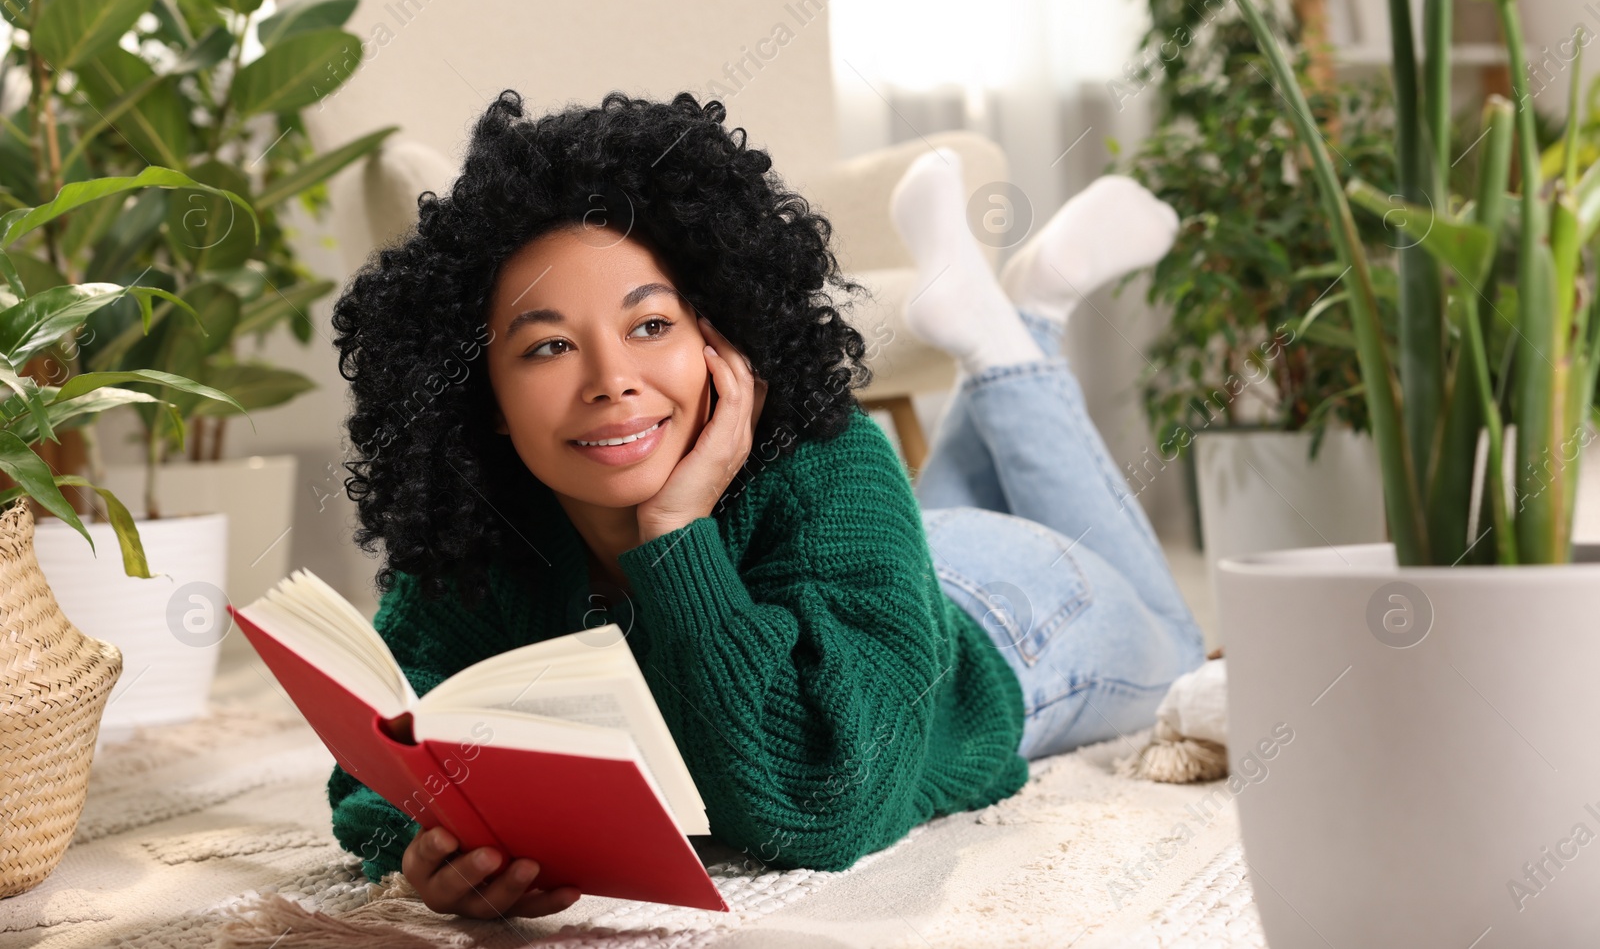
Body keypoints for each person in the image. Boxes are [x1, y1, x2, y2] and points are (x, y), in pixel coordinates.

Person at [325, 89, 1206, 921]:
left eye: (651, 325)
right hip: (891, 563)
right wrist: (423, 841)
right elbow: (384, 755)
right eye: (549, 345)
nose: (611, 381)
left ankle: (1028, 325)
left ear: (723, 336)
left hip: (1016, 620)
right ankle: (1013, 317)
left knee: (1175, 643)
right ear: (484, 394)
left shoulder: (829, 457)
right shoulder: (476, 528)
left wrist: (675, 534)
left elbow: (821, 806)